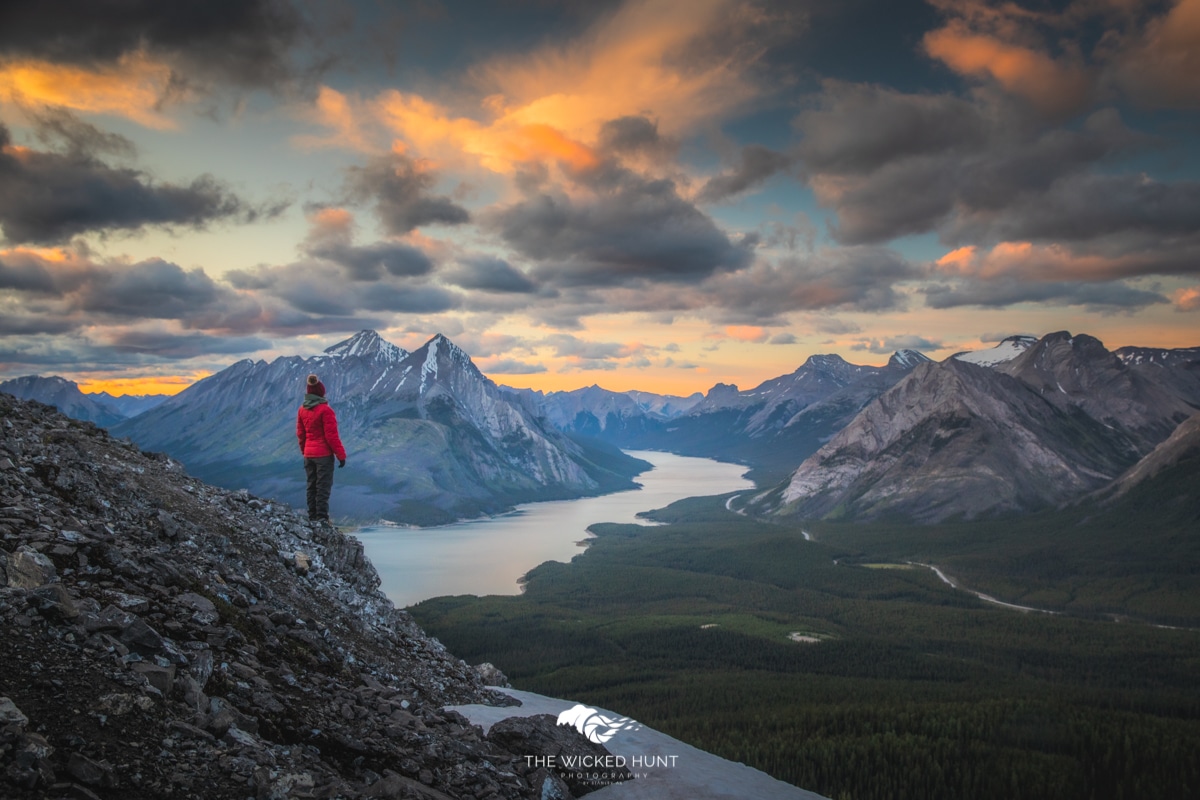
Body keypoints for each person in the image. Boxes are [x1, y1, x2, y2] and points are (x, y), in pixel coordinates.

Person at [296, 374, 347, 524]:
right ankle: (322, 519)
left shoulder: (302, 410)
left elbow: (300, 433)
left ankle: (312, 517)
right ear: (320, 392)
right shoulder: (325, 410)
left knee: (311, 485)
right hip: (323, 455)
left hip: (308, 454)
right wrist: (341, 455)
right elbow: (331, 437)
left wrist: (304, 451)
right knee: (323, 487)